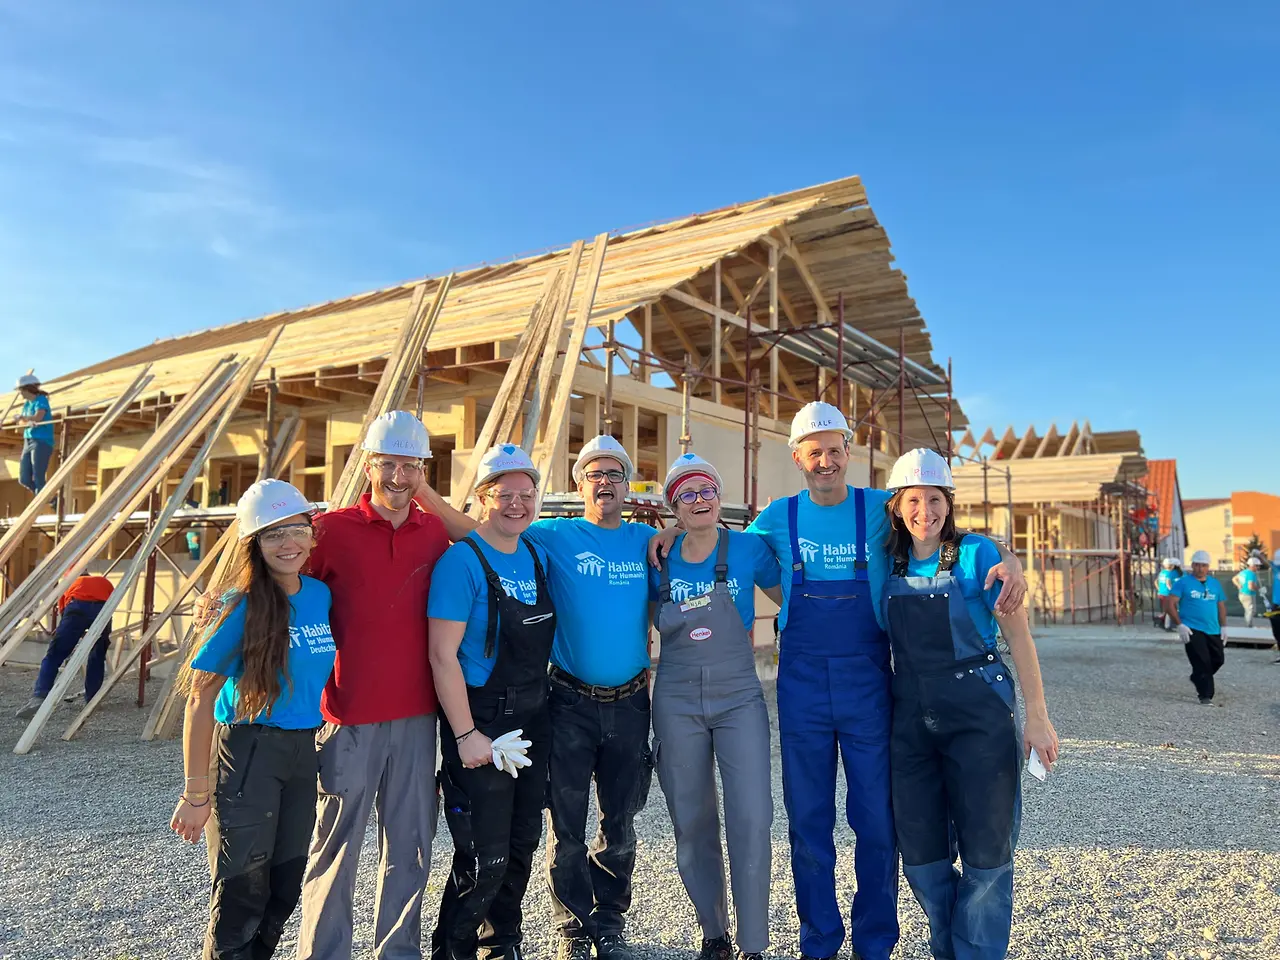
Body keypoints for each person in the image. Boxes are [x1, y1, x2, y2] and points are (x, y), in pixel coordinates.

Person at [699, 402, 1026, 960]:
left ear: (848, 451)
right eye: (814, 451)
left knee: (877, 823)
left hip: (870, 685)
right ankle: (819, 943)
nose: (825, 461)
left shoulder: (881, 508)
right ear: (797, 456)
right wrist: (659, 540)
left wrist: (1010, 556)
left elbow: (945, 527)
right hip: (802, 687)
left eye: (835, 450)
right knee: (809, 824)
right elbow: (720, 548)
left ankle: (875, 944)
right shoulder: (778, 517)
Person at [295, 411, 466, 960]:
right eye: (387, 464)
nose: (397, 477)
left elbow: (482, 536)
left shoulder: (435, 531)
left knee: (410, 848)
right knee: (335, 848)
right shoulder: (330, 530)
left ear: (423, 471)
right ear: (368, 465)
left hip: (418, 718)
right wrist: (222, 600)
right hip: (347, 715)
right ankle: (324, 954)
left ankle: (398, 953)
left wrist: (427, 495)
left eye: (410, 466)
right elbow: (279, 575)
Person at [880, 448, 1058, 960]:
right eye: (913, 500)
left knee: (986, 851)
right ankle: (948, 947)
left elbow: (1020, 639)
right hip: (911, 718)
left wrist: (1039, 718)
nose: (925, 511)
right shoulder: (884, 558)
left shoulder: (979, 554)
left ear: (949, 502)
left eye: (934, 499)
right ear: (896, 506)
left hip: (980, 714)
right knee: (919, 851)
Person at [170, 480, 335, 960]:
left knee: (285, 886)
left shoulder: (320, 594)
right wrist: (196, 793)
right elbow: (199, 701)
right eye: (272, 535)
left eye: (296, 530)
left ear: (311, 533)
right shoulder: (240, 607)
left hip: (304, 751)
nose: (288, 544)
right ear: (255, 544)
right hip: (248, 752)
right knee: (243, 891)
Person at [648, 453, 782, 960]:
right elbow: (635, 625)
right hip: (676, 698)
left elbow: (793, 593)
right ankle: (714, 933)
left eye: (707, 490)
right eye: (688, 494)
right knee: (692, 816)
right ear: (674, 508)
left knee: (751, 815)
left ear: (718, 497)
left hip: (739, 697)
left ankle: (753, 943)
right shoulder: (656, 557)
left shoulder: (748, 549)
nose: (700, 500)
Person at [427, 445, 555, 960]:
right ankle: (451, 950)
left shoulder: (537, 552)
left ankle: (501, 944)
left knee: (523, 842)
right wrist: (465, 736)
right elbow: (441, 657)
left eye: (527, 494)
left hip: (532, 719)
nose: (518, 504)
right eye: (505, 494)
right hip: (480, 719)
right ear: (483, 498)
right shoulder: (461, 562)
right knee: (484, 855)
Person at [14, 574, 114, 719]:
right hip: (103, 609)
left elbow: (64, 610)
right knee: (97, 656)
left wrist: (71, 635)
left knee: (54, 656)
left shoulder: (72, 582)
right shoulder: (104, 582)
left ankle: (40, 696)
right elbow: (114, 601)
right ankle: (92, 699)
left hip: (77, 607)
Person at [1168, 550, 1228, 704]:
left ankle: (1198, 677)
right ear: (1192, 565)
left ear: (1208, 567)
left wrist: (1224, 626)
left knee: (1218, 659)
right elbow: (1170, 604)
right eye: (1197, 565)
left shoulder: (1214, 584)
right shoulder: (1182, 582)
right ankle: (1205, 695)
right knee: (1202, 661)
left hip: (1213, 628)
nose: (1200, 568)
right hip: (1192, 628)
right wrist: (1180, 624)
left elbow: (1220, 606)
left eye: (1204, 565)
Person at [14, 373, 54, 495]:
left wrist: (24, 418)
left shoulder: (41, 400)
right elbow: (23, 426)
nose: (20, 393)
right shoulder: (26, 404)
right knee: (24, 479)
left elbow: (38, 416)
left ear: (27, 389)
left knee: (38, 477)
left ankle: (46, 499)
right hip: (28, 440)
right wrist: (21, 421)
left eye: (21, 390)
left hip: (41, 441)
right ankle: (47, 498)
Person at [1233, 557, 1263, 628]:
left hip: (1242, 594)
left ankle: (1249, 625)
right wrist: (1259, 589)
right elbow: (1251, 586)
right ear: (1253, 565)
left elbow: (1234, 579)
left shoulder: (1243, 572)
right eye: (1257, 565)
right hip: (1248, 594)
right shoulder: (1251, 574)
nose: (1258, 568)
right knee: (1250, 611)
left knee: (1249, 610)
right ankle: (1249, 626)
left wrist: (1238, 585)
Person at [1156, 558, 1179, 631]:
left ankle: (1163, 623)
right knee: (1170, 610)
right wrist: (1172, 591)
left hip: (1161, 593)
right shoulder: (1169, 573)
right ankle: (1166, 625)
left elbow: (1155, 582)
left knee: (1166, 610)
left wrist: (1159, 589)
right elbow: (1168, 583)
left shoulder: (1162, 572)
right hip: (1167, 594)